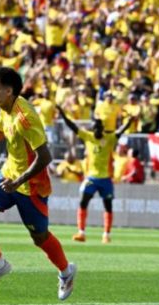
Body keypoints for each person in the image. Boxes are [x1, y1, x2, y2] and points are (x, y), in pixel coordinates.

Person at [0, 67, 77, 300]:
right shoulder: (6, 108)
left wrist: (19, 181)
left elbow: (45, 157)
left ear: (9, 91)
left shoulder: (25, 117)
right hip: (7, 175)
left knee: (39, 237)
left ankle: (66, 271)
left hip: (31, 186)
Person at [56, 104, 133, 244]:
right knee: (83, 202)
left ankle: (106, 234)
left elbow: (121, 131)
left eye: (99, 128)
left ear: (103, 129)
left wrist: (129, 121)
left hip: (105, 179)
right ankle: (81, 233)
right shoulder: (88, 136)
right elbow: (72, 126)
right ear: (92, 129)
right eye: (95, 128)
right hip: (91, 178)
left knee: (108, 205)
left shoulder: (109, 138)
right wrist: (62, 113)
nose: (97, 130)